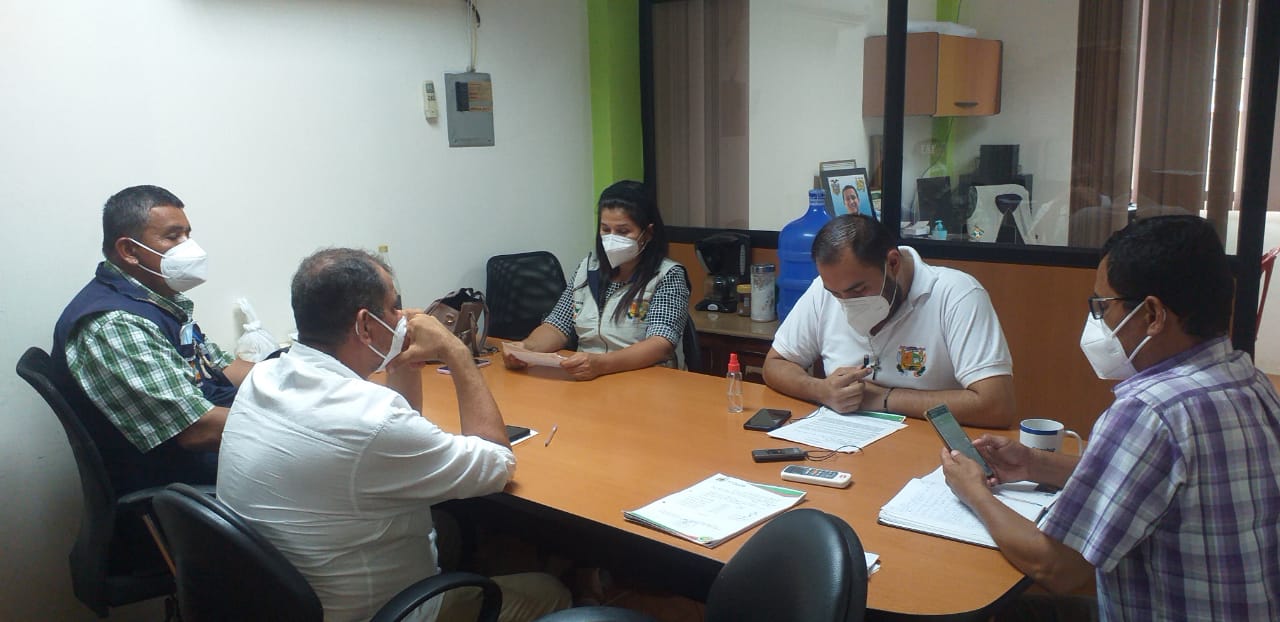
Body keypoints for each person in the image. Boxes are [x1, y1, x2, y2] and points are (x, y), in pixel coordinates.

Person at [941, 216, 1280, 620]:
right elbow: (1156, 483)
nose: (1098, 322)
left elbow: (1057, 567)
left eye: (1102, 306)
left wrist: (974, 492)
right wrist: (1034, 464)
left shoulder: (1151, 411)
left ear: (1152, 314)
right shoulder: (1248, 380)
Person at [217, 248, 570, 622]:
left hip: (279, 600)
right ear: (365, 325)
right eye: (394, 308)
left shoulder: (264, 375)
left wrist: (405, 358)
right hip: (381, 613)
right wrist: (456, 351)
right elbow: (497, 463)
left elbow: (396, 438)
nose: (403, 317)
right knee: (550, 591)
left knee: (452, 530)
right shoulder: (372, 419)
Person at [51, 185, 251, 495]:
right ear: (129, 251)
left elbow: (221, 370)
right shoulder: (115, 324)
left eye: (187, 235)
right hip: (184, 483)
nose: (190, 248)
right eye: (173, 237)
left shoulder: (157, 300)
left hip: (218, 450)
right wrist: (297, 423)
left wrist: (299, 373)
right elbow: (198, 430)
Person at [763, 214, 1015, 427]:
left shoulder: (957, 295)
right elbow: (775, 364)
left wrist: (884, 398)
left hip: (931, 447)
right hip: (846, 444)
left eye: (858, 290)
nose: (846, 303)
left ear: (892, 263)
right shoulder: (825, 290)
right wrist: (821, 390)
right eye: (836, 295)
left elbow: (996, 405)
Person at [504, 180, 691, 380]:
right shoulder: (588, 269)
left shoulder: (667, 275)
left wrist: (601, 365)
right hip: (589, 379)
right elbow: (557, 326)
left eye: (623, 231)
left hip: (645, 381)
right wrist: (526, 348)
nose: (612, 238)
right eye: (605, 229)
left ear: (648, 233)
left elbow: (661, 344)